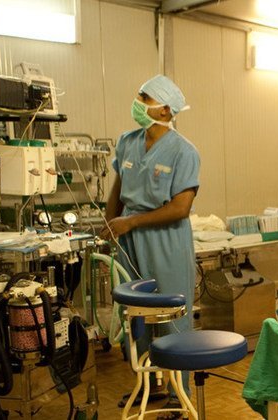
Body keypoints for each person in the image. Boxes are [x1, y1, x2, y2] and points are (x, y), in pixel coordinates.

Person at [101, 75, 200, 414]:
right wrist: (110, 223)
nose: (137, 103)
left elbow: (180, 208)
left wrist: (130, 221)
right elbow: (118, 187)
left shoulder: (184, 151)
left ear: (164, 109)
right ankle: (148, 385)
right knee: (136, 317)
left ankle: (178, 394)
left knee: (172, 315)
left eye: (144, 98)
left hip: (166, 239)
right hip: (129, 237)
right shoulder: (128, 142)